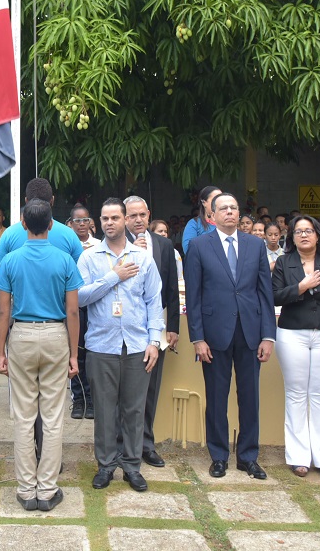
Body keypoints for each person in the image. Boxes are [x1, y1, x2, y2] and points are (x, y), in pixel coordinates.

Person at [0, 199, 80, 512]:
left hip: (22, 336)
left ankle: (26, 489)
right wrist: (74, 354)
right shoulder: (65, 260)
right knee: (53, 416)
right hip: (56, 335)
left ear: (23, 224)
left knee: (24, 415)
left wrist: (0, 351)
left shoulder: (10, 260)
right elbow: (73, 311)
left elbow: (3, 311)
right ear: (52, 225)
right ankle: (47, 490)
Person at [185, 191, 274, 480]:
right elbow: (194, 296)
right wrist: (197, 338)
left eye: (234, 208)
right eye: (223, 208)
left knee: (250, 398)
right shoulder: (199, 246)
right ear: (212, 215)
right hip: (214, 335)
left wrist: (268, 336)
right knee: (216, 398)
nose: (230, 212)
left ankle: (248, 457)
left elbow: (265, 292)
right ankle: (219, 456)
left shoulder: (255, 245)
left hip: (250, 333)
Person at [78, 198, 164, 492]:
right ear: (99, 222)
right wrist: (112, 277)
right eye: (104, 218)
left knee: (134, 410)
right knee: (103, 411)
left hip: (137, 345)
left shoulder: (142, 258)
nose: (109, 223)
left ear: (126, 220)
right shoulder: (89, 258)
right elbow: (79, 297)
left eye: (115, 217)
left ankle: (132, 466)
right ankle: (105, 466)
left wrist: (154, 341)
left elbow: (154, 302)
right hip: (102, 346)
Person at [272, 215, 320, 478]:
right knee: (296, 395)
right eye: (298, 231)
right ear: (291, 237)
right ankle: (298, 456)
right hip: (292, 335)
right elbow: (274, 296)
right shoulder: (284, 263)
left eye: (308, 231)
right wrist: (300, 287)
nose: (304, 235)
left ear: (318, 235)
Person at [121, 196, 177, 469]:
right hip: (125, 328)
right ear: (124, 218)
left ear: (149, 215)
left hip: (156, 328)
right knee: (123, 392)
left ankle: (146, 444)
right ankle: (121, 445)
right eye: (132, 215)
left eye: (142, 215)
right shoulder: (117, 244)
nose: (138, 220)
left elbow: (171, 290)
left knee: (150, 389)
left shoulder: (164, 245)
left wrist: (173, 327)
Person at [69, 204, 99, 420]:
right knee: (76, 354)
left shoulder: (99, 245)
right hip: (74, 306)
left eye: (85, 220)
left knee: (92, 353)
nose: (82, 224)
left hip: (95, 305)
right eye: (77, 221)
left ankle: (92, 399)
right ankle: (78, 400)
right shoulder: (67, 244)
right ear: (70, 223)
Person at [181, 186, 221, 257]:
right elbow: (188, 250)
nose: (220, 203)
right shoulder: (194, 224)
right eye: (215, 199)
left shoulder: (228, 223)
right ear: (204, 202)